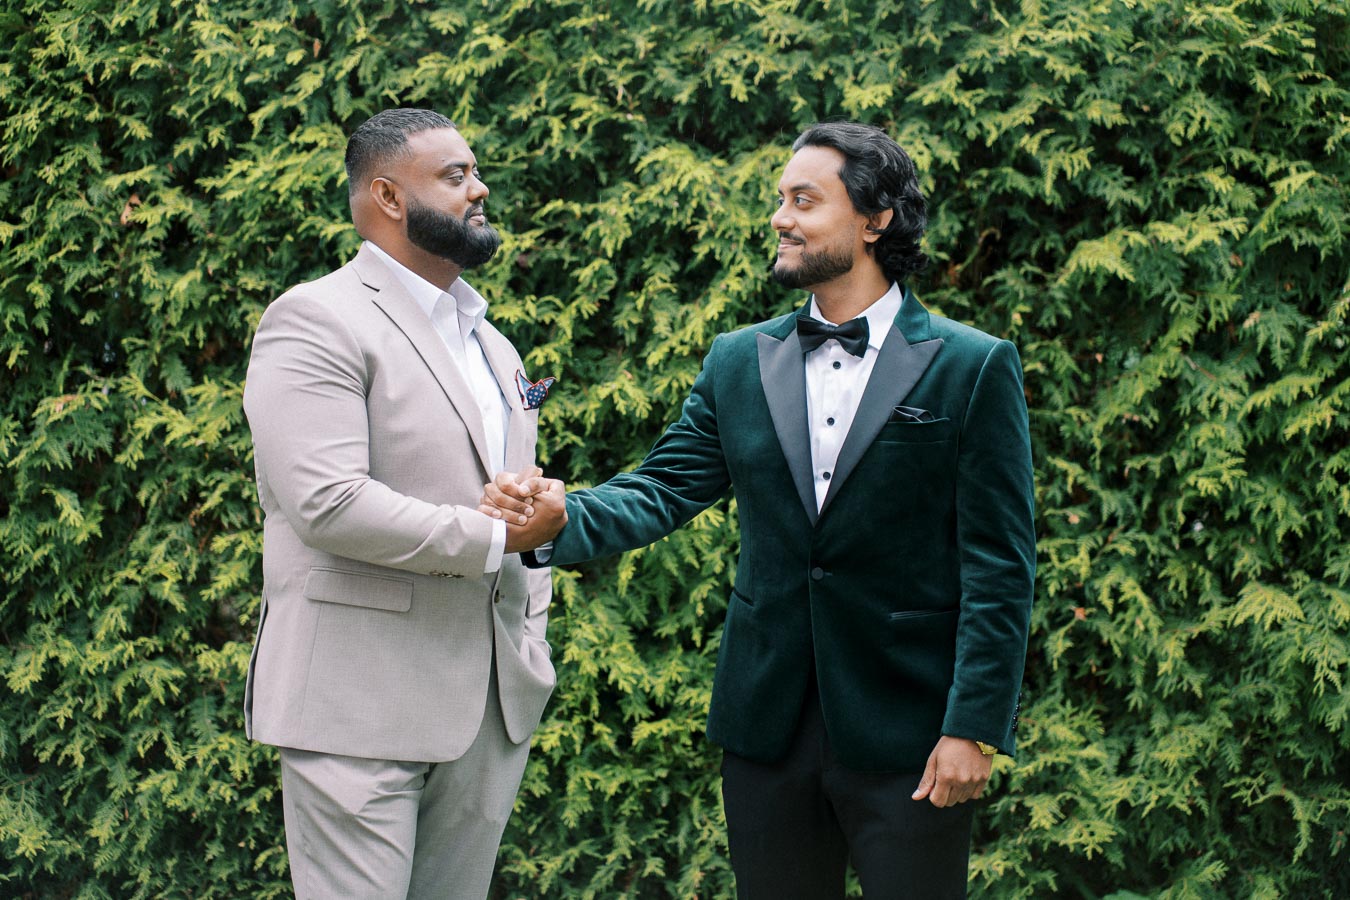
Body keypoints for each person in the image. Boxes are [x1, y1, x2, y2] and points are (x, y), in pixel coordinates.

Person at [483, 121, 1035, 898]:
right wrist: (562, 516)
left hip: (910, 729)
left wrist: (972, 724)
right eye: (780, 199)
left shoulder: (973, 366)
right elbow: (664, 486)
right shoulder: (738, 360)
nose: (779, 217)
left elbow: (1000, 565)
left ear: (874, 219)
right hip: (766, 727)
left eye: (803, 200)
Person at [242, 108, 565, 899]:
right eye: (455, 176)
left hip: (489, 709)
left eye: (475, 170)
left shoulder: (493, 343)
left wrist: (532, 567)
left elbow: (501, 499)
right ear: (387, 195)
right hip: (357, 705)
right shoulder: (315, 318)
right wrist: (497, 537)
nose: (480, 188)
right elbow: (328, 502)